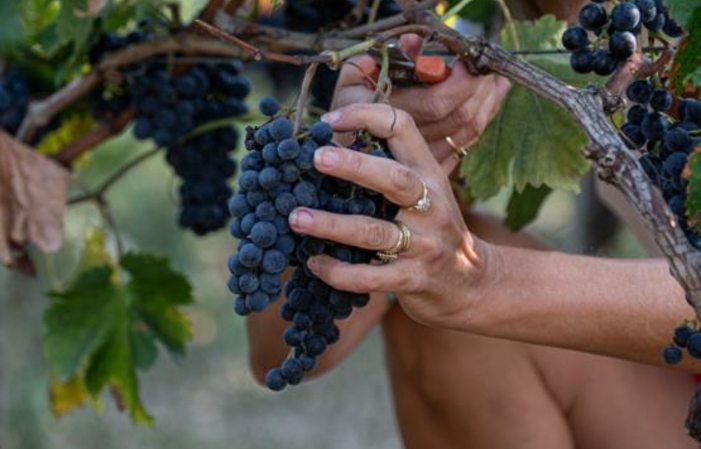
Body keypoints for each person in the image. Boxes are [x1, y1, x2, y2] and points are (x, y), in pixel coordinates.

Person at [246, 40, 699, 448]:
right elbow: (280, 355)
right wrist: (359, 163)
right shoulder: (475, 35)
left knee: (466, 301)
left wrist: (483, 282)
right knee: (432, 303)